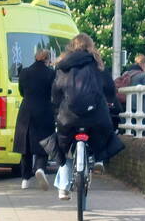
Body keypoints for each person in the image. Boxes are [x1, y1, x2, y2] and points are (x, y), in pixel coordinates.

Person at [49, 33, 118, 200]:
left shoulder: (63, 65)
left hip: (69, 116)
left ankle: (63, 187)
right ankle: (100, 159)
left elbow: (56, 91)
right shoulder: (96, 64)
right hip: (94, 113)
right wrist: (109, 101)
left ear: (72, 46)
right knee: (104, 129)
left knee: (63, 147)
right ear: (90, 46)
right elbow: (109, 88)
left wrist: (57, 108)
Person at [14, 49, 55, 191]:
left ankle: (25, 179)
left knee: (25, 146)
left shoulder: (24, 72)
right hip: (44, 111)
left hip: (26, 112)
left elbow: (21, 91)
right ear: (47, 59)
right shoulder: (51, 74)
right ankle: (40, 168)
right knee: (44, 142)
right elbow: (53, 93)